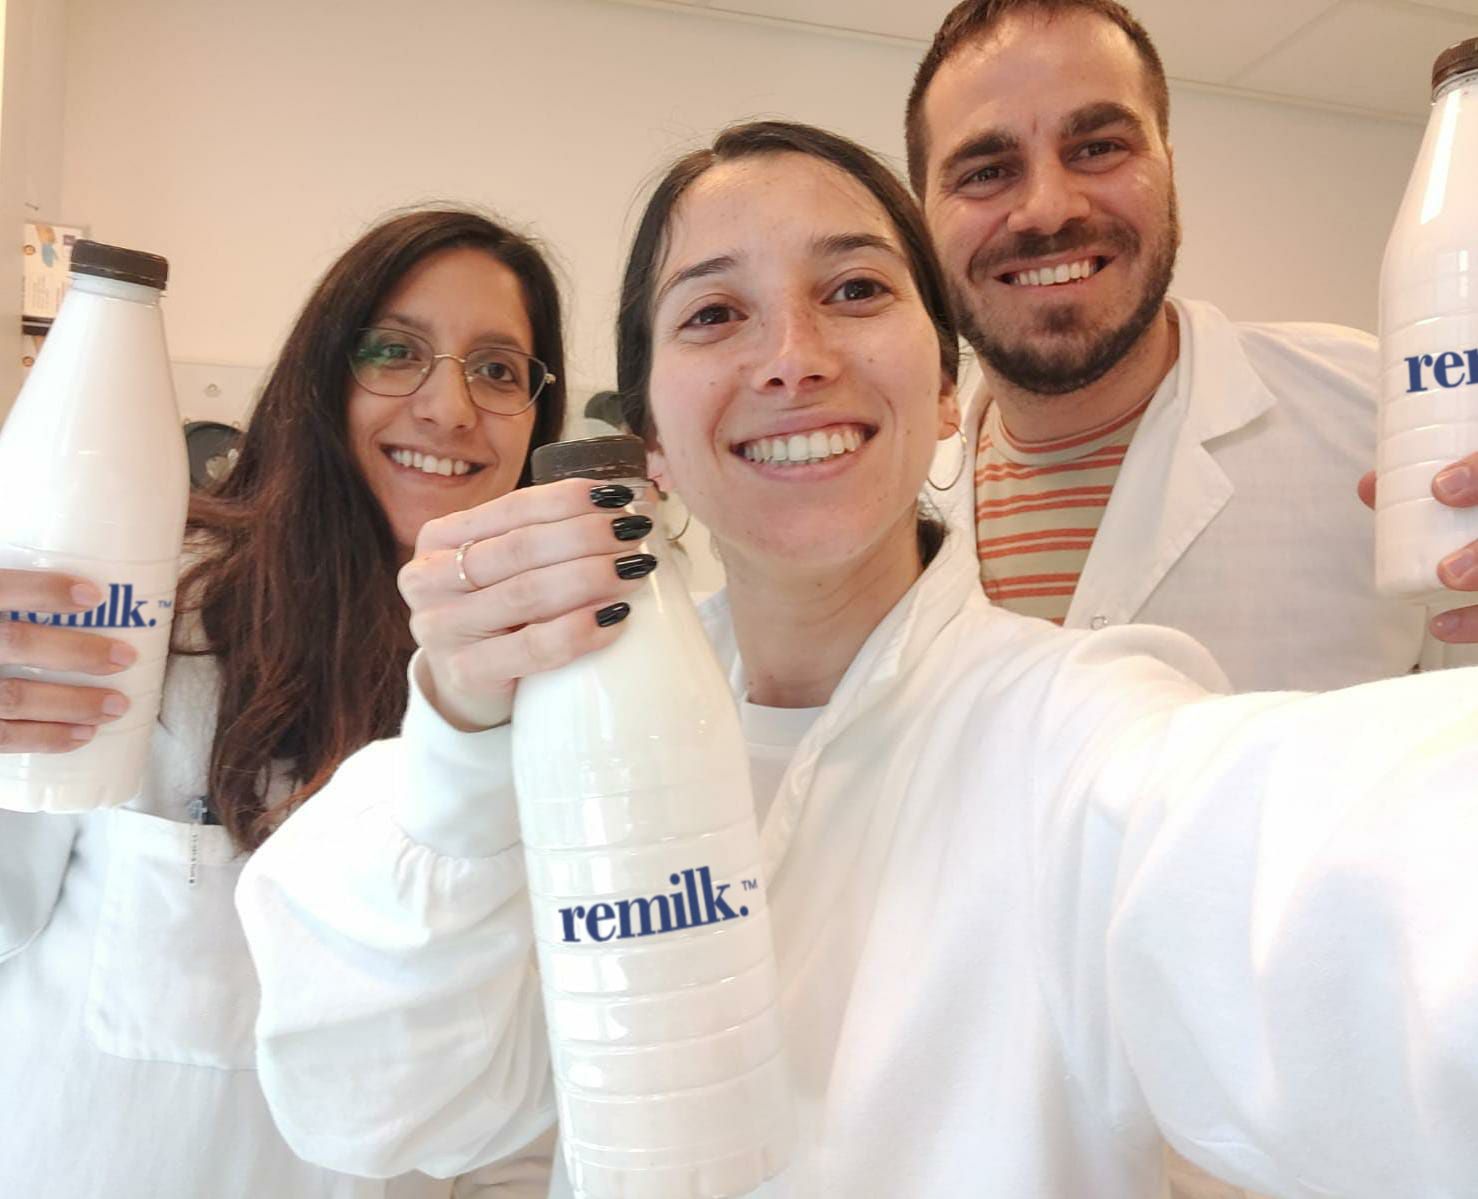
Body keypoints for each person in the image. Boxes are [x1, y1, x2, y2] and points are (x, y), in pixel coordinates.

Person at [236, 121, 1478, 1199]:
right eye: (715, 312)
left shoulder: (1078, 740)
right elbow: (383, 1097)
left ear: (949, 388)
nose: (792, 356)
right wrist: (457, 738)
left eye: (855, 291)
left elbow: (1363, 884)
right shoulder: (576, 730)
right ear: (650, 437)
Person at [0, 209, 569, 1199]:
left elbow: (517, 1090)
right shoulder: (156, 610)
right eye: (394, 351)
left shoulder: (548, 695)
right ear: (320, 376)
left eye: (498, 368)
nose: (449, 406)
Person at [904, 0, 1478, 693]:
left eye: (1098, 147)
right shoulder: (879, 491)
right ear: (922, 218)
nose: (1051, 208)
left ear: (1168, 173)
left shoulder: (1381, 413)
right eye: (986, 171)